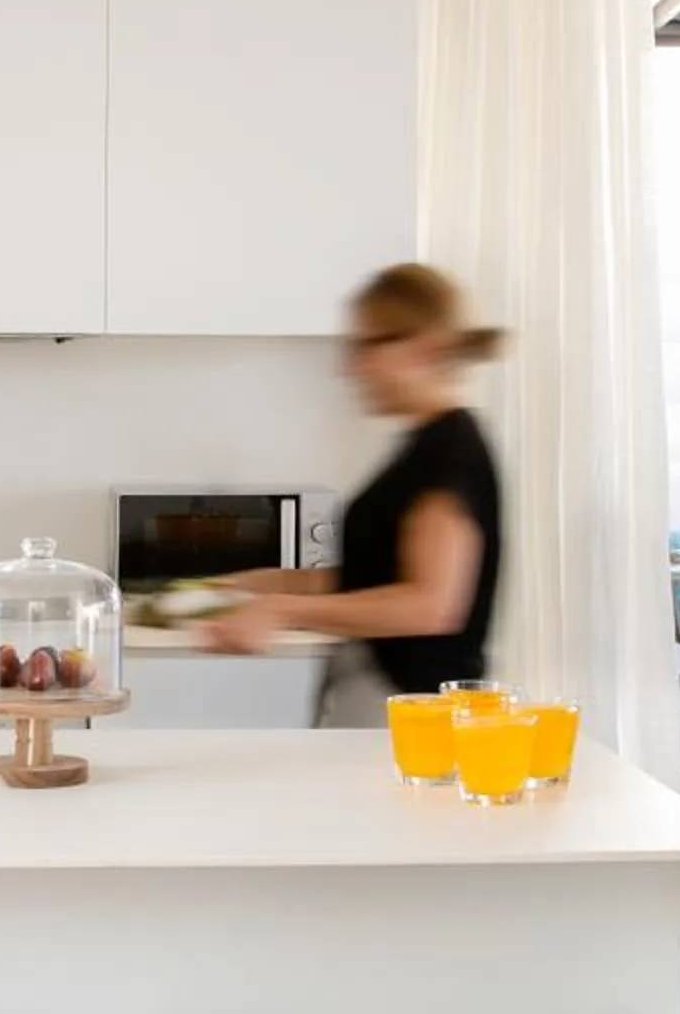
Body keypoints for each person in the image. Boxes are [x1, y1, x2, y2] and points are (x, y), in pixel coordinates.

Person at [197, 264, 504, 727]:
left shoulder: (449, 454)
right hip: (381, 702)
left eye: (365, 347)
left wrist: (281, 610)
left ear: (423, 346)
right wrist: (243, 587)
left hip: (411, 714)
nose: (350, 368)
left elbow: (430, 606)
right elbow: (366, 579)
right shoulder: (424, 447)